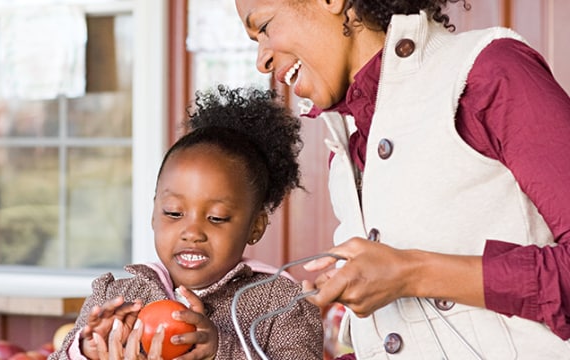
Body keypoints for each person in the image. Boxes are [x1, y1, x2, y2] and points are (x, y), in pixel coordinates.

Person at [234, 0, 570, 359]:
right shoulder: (347, 147)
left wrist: (413, 274)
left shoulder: (489, 72)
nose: (261, 60)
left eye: (265, 27)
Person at [49, 85, 324, 360]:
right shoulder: (115, 298)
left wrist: (220, 352)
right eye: (173, 213)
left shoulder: (282, 305)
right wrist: (85, 352)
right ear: (153, 214)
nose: (191, 232)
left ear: (256, 227)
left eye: (216, 218)